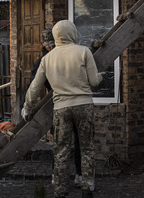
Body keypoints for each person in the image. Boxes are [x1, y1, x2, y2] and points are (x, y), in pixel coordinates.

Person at [23, 20, 102, 198]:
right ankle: (86, 189)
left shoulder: (47, 58)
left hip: (61, 108)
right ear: (72, 33)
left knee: (61, 150)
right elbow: (95, 81)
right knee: (87, 148)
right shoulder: (83, 51)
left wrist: (27, 108)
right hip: (83, 106)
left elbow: (34, 88)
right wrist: (101, 77)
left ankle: (60, 191)